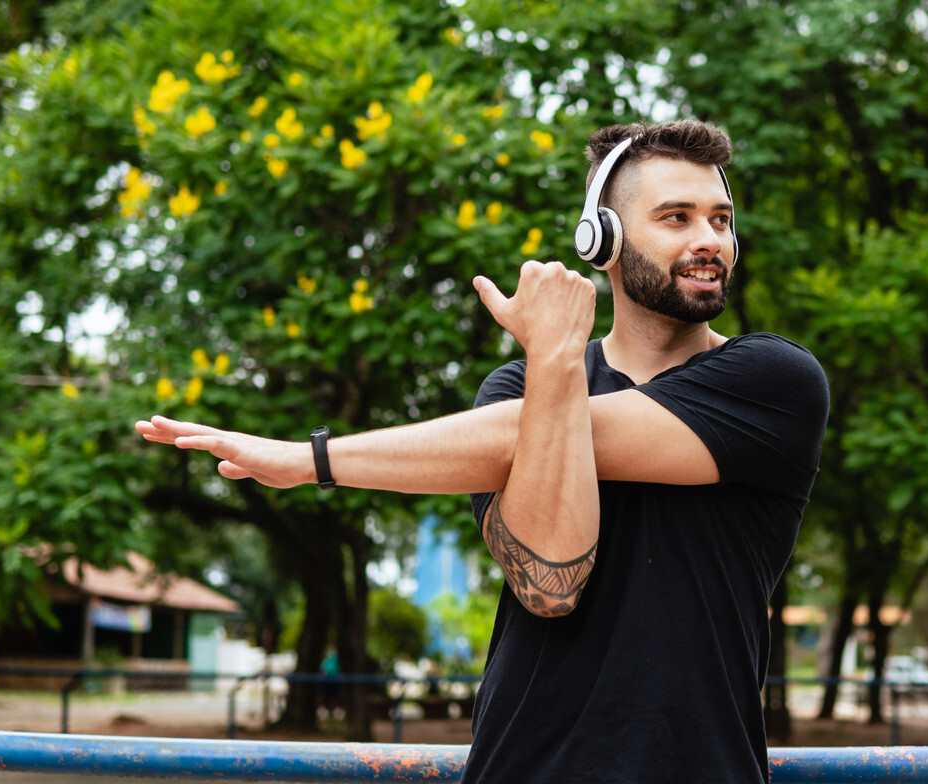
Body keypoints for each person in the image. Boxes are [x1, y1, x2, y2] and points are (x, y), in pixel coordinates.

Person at [136, 117, 829, 783]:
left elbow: (513, 434)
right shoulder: (515, 386)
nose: (710, 240)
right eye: (677, 217)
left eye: (721, 220)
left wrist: (306, 460)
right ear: (602, 238)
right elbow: (551, 584)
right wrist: (555, 362)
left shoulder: (775, 382)